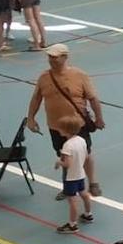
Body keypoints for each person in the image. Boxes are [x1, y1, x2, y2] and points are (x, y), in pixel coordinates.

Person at [26, 44, 104, 197]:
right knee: (63, 155)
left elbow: (93, 99)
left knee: (85, 153)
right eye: (50, 57)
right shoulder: (44, 77)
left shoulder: (79, 75)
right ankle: (68, 186)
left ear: (65, 57)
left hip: (77, 125)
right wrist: (31, 118)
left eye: (55, 57)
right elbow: (36, 98)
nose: (51, 60)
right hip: (56, 126)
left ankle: (93, 182)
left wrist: (99, 118)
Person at [54, 116, 95, 233]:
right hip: (80, 174)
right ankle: (88, 214)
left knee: (72, 200)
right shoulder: (81, 140)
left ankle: (72, 225)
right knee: (84, 194)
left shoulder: (67, 145)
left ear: (66, 130)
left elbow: (67, 164)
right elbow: (86, 156)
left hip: (70, 177)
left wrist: (59, 162)